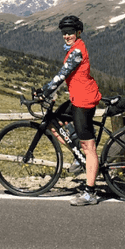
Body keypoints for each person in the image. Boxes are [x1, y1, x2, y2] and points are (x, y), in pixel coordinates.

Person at [38, 14, 102, 206]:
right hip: (77, 98)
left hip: (84, 101)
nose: (67, 36)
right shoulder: (73, 48)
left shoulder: (77, 51)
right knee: (55, 120)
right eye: (64, 33)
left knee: (88, 147)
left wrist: (45, 90)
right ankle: (79, 156)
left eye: (70, 33)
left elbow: (63, 73)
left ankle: (90, 193)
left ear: (78, 33)